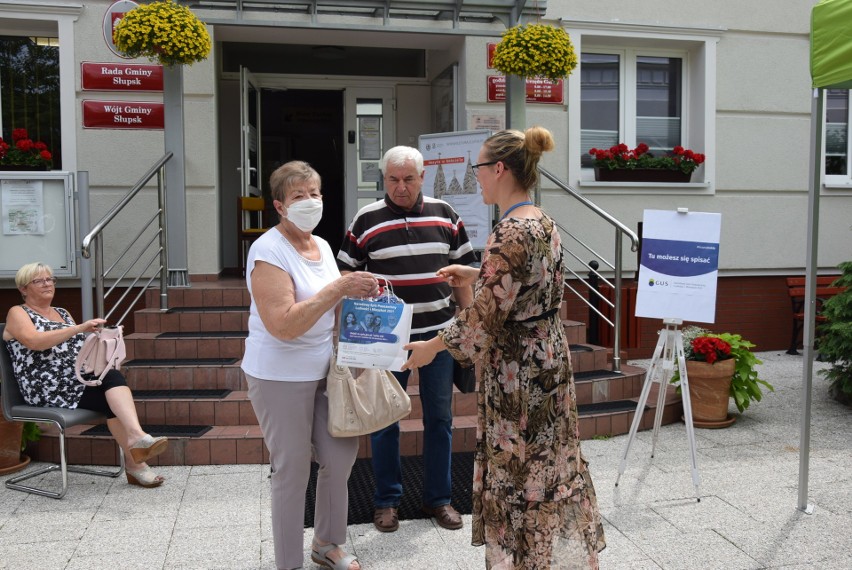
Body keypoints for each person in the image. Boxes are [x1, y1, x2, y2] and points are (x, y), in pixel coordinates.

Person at [402, 127, 606, 568]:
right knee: (547, 463)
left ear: (499, 169)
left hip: (519, 371)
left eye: (478, 167)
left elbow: (482, 321)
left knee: (520, 469)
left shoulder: (510, 230)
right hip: (547, 357)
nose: (476, 177)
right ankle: (545, 558)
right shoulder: (540, 219)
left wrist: (431, 347)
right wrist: (476, 274)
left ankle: (525, 560)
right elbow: (531, 284)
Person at [241, 160, 378, 570]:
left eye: (315, 193)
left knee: (339, 455)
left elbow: (333, 310)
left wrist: (363, 314)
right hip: (279, 374)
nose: (310, 202)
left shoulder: (320, 246)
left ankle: (327, 543)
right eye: (299, 195)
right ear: (280, 206)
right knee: (293, 468)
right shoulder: (267, 250)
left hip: (324, 370)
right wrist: (340, 286)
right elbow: (283, 325)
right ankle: (289, 563)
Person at [337, 145, 477, 533]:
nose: (401, 187)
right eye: (393, 180)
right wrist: (351, 341)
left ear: (422, 177)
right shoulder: (366, 219)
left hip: (439, 338)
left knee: (441, 420)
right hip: (386, 342)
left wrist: (467, 329)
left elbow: (464, 277)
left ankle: (439, 499)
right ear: (384, 180)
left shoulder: (446, 215)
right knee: (384, 421)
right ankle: (386, 501)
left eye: (408, 179)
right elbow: (345, 279)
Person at [3, 262, 169, 488]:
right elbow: (35, 342)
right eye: (39, 280)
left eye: (50, 279)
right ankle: (135, 460)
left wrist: (99, 340)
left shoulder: (62, 313)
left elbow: (77, 349)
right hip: (45, 388)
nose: (47, 284)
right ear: (23, 289)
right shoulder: (18, 312)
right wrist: (78, 328)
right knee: (111, 395)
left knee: (111, 380)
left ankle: (136, 440)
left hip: (74, 382)